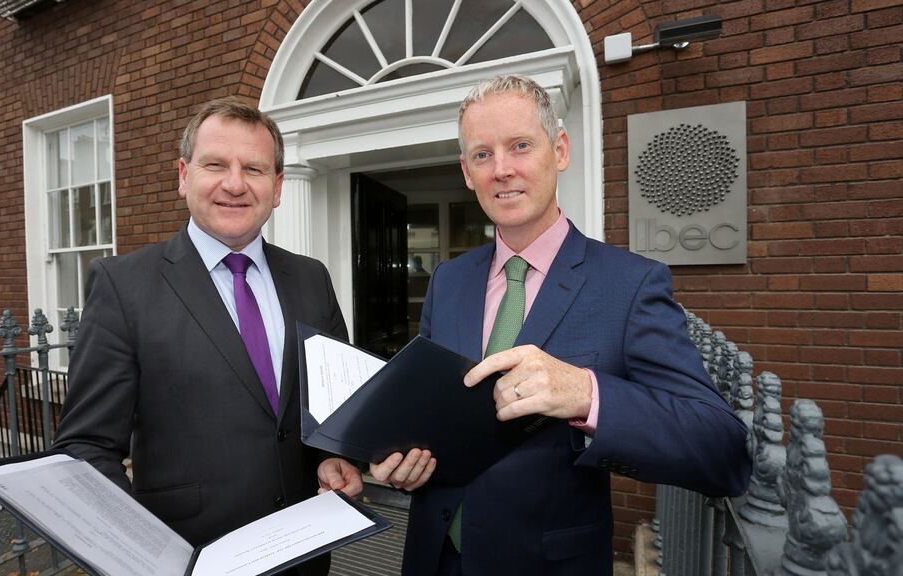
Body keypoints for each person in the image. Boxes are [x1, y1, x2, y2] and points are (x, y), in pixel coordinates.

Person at [370, 75, 752, 575]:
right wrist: (398, 460)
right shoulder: (449, 279)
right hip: (433, 555)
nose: (502, 170)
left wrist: (588, 395)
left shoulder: (631, 285)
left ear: (561, 149)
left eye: (520, 146)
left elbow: (722, 452)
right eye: (482, 155)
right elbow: (431, 410)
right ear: (466, 172)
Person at [53, 97, 362, 576]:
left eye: (254, 169)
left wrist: (332, 455)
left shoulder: (311, 277)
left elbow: (336, 406)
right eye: (216, 164)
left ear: (277, 187)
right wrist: (142, 553)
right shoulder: (123, 285)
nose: (235, 184)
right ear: (184, 175)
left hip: (306, 551)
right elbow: (86, 447)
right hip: (189, 558)